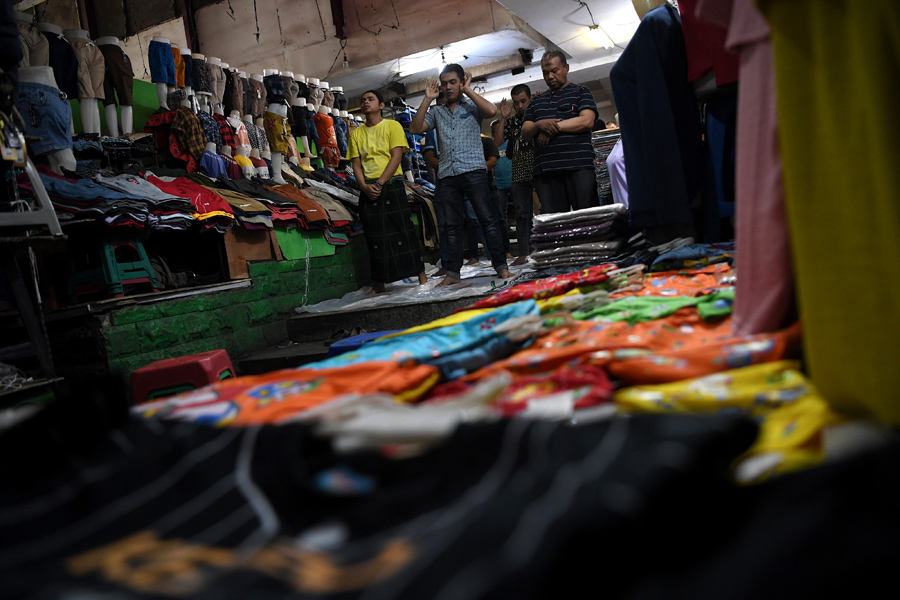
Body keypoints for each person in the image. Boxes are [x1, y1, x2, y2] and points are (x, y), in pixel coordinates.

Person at [410, 63, 510, 286]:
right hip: (447, 175)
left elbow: (491, 111)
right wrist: (427, 99)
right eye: (444, 83)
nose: (448, 87)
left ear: (462, 82)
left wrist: (468, 90)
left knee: (488, 220)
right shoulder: (437, 112)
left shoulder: (472, 106)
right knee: (451, 227)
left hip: (473, 171)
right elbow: (415, 129)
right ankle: (453, 274)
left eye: (453, 82)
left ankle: (501, 267)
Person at [348, 89, 428, 294]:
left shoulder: (392, 126)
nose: (366, 102)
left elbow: (397, 157)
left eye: (370, 99)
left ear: (381, 105)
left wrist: (380, 183)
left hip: (391, 184)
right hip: (368, 188)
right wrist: (364, 187)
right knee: (375, 236)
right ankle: (379, 282)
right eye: (363, 100)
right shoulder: (356, 133)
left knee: (404, 229)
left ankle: (421, 274)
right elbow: (356, 164)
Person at [522, 51, 600, 214]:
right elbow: (526, 131)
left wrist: (551, 129)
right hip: (546, 171)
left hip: (579, 167)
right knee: (555, 223)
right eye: (545, 73)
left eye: (554, 71)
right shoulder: (536, 102)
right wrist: (539, 124)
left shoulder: (581, 91)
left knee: (588, 218)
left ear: (566, 68)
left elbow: (586, 121)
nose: (550, 76)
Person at [494, 83, 536, 265]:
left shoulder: (537, 113)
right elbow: (497, 142)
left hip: (540, 167)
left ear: (530, 99)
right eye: (516, 102)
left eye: (523, 101)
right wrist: (503, 118)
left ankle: (548, 250)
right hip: (519, 171)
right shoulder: (511, 121)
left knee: (547, 209)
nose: (520, 106)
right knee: (522, 214)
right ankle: (523, 253)